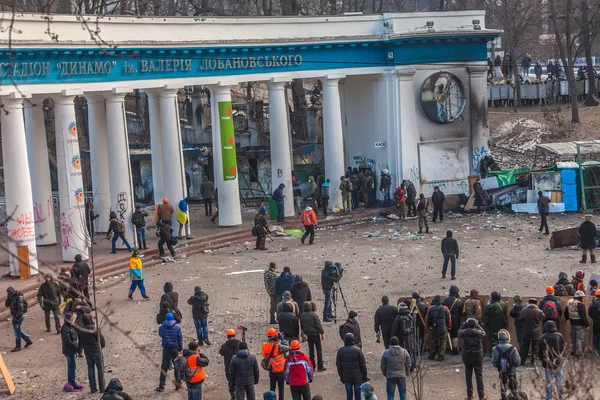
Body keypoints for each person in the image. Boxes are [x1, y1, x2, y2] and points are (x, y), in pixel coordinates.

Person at [458, 318, 487, 400]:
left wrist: (465, 323)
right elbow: (484, 333)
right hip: (477, 356)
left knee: (468, 375)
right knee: (479, 376)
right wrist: (477, 325)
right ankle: (481, 395)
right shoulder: (479, 333)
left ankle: (470, 395)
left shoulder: (464, 333)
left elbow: (459, 331)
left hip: (467, 355)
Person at [537, 321, 565, 400]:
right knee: (559, 381)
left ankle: (548, 397)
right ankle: (561, 397)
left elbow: (540, 351)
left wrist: (542, 360)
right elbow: (562, 349)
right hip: (558, 362)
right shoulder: (559, 336)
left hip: (547, 363)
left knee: (548, 382)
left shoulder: (542, 337)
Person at [156, 313, 183, 392]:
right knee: (177, 367)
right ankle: (178, 384)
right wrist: (180, 348)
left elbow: (161, 335)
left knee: (164, 366)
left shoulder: (161, 328)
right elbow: (180, 339)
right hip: (175, 349)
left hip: (166, 349)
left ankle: (161, 386)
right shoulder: (177, 328)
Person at [79, 314, 105, 394]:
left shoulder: (81, 330)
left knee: (90, 369)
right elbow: (101, 340)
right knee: (100, 369)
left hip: (87, 352)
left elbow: (80, 342)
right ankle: (102, 388)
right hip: (96, 351)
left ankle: (93, 388)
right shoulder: (93, 329)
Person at [336, 333, 368, 400]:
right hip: (357, 377)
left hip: (346, 377)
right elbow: (363, 364)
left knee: (349, 394)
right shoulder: (358, 350)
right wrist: (364, 375)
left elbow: (339, 365)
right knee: (358, 394)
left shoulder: (340, 351)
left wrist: (341, 376)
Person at [491, 329, 521, 400]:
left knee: (503, 388)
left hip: (501, 371)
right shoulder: (513, 348)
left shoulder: (495, 349)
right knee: (513, 388)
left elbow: (494, 363)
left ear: (498, 338)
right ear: (508, 338)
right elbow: (517, 362)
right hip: (512, 372)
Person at [380, 335, 411, 400]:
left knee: (390, 394)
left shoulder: (386, 353)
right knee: (403, 394)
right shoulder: (404, 351)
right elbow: (409, 362)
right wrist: (407, 372)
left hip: (390, 376)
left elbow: (383, 365)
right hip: (401, 375)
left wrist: (385, 373)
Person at [262, 328, 289, 400]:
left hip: (271, 370)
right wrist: (282, 340)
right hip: (280, 371)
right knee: (281, 388)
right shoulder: (278, 346)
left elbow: (265, 356)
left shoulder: (264, 346)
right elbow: (287, 347)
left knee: (272, 388)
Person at [518, 298, 545, 366]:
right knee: (535, 348)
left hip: (526, 331)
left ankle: (522, 361)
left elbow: (520, 319)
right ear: (536, 303)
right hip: (536, 332)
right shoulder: (538, 311)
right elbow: (543, 317)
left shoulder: (524, 310)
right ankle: (534, 362)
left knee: (524, 348)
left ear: (529, 302)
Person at [6, 286, 33, 352]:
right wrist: (8, 298)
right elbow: (6, 305)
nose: (9, 294)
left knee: (17, 332)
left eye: (9, 293)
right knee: (18, 331)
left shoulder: (19, 297)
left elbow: (21, 309)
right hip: (14, 316)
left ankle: (18, 346)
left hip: (18, 317)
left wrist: (17, 318)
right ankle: (28, 340)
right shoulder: (11, 297)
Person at [300, 303, 326, 372]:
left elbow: (302, 326)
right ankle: (320, 366)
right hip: (315, 334)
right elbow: (318, 325)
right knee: (319, 350)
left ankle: (312, 365)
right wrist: (322, 332)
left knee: (311, 351)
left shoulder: (302, 316)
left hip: (309, 335)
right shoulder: (314, 314)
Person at [61, 313, 82, 392]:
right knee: (71, 367)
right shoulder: (65, 328)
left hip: (72, 350)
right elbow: (67, 341)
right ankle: (72, 382)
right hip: (69, 351)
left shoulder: (70, 327)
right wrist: (75, 346)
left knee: (72, 366)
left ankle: (72, 382)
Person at [564, 290, 589, 357]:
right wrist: (587, 324)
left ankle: (572, 352)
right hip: (580, 324)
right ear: (580, 297)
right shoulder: (580, 304)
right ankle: (579, 353)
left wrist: (567, 318)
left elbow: (566, 312)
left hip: (572, 323)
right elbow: (583, 316)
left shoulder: (569, 302)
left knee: (573, 338)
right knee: (579, 339)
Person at [426, 295, 450, 361]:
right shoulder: (445, 309)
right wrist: (448, 327)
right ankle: (441, 357)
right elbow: (448, 319)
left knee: (433, 342)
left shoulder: (431, 309)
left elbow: (428, 320)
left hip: (434, 328)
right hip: (443, 328)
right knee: (443, 342)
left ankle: (431, 355)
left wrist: (429, 327)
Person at [220, 329, 242, 400]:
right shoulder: (240, 344)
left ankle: (233, 396)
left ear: (227, 336)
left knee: (231, 382)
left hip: (228, 367)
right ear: (234, 335)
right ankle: (240, 395)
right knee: (240, 382)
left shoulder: (224, 346)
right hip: (239, 367)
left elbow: (221, 353)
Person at [443, 285, 464, 355]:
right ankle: (454, 349)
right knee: (455, 335)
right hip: (455, 321)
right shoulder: (459, 302)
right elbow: (461, 312)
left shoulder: (445, 300)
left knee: (445, 334)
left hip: (446, 320)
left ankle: (444, 349)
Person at [588, 289, 600, 357]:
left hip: (596, 322)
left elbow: (590, 313)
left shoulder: (593, 303)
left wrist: (594, 318)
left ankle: (595, 350)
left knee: (596, 335)